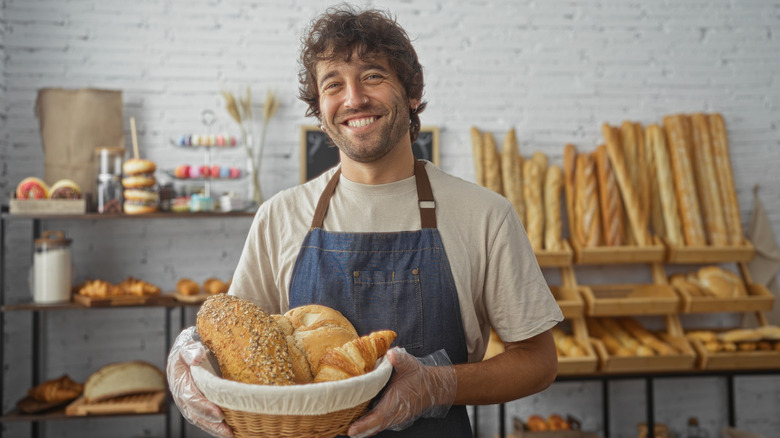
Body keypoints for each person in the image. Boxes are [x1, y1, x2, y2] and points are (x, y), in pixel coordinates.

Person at [167, 5, 563, 438]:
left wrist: (438, 385)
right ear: (319, 108)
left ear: (412, 93)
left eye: (373, 76)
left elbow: (538, 361)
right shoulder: (280, 217)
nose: (353, 99)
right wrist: (184, 359)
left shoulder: (484, 215)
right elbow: (232, 345)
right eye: (333, 84)